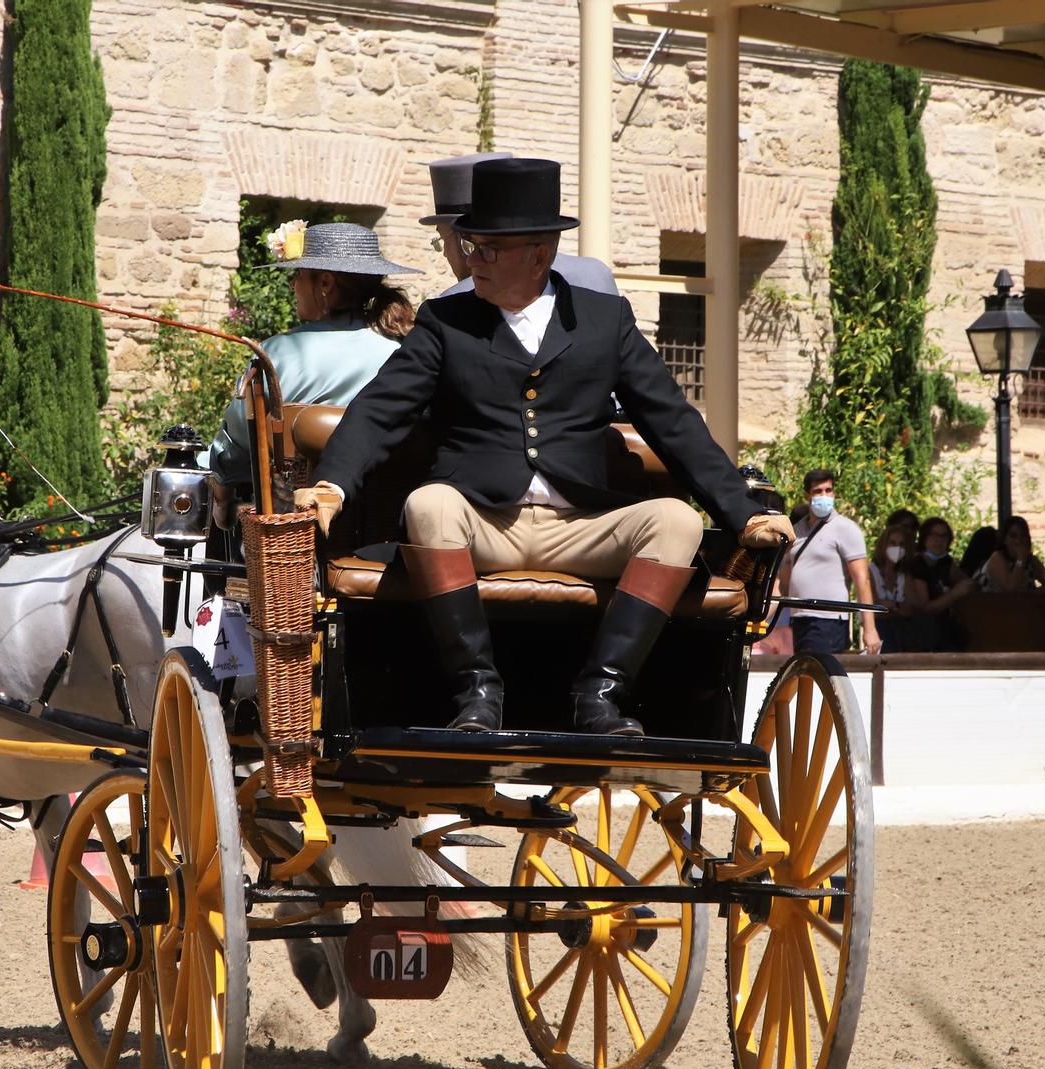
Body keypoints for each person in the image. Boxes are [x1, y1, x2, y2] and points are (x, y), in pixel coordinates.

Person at [294, 158, 793, 735]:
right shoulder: (445, 320)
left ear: (539, 254)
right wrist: (331, 485)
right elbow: (380, 408)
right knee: (428, 504)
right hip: (482, 523)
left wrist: (744, 513)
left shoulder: (606, 320)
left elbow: (671, 419)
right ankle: (476, 692)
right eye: (470, 245)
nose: (471, 259)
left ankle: (600, 695)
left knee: (677, 521)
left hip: (581, 525)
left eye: (487, 249)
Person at [206, 221, 419, 496]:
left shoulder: (276, 354)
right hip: (387, 513)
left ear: (326, 283)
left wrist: (219, 484)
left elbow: (236, 445)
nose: (293, 284)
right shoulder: (405, 351)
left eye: (299, 273)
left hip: (295, 524)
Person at [420, 152, 620, 298]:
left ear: (467, 240)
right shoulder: (596, 272)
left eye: (441, 240)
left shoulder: (453, 304)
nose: (445, 253)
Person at [775, 469, 882, 656]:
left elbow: (862, 579)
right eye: (818, 491)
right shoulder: (796, 530)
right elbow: (783, 582)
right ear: (807, 495)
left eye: (828, 490)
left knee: (821, 677)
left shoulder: (845, 528)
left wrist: (869, 628)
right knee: (803, 678)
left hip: (828, 620)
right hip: (800, 618)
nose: (824, 496)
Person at [900, 516, 975, 651]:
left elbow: (967, 583)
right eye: (934, 535)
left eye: (944, 536)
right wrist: (954, 594)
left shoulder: (946, 562)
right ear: (924, 537)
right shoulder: (918, 564)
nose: (938, 540)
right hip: (923, 634)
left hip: (946, 630)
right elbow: (925, 608)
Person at [867, 522, 915, 653]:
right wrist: (897, 608)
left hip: (903, 634)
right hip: (879, 634)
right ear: (884, 545)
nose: (897, 548)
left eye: (901, 544)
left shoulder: (904, 574)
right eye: (893, 543)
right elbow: (873, 608)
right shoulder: (870, 571)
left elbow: (910, 608)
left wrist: (890, 607)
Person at [982, 515, 1045, 592]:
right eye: (1013, 536)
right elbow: (1011, 588)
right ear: (1005, 539)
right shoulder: (997, 558)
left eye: (1023, 536)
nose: (1018, 540)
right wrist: (1020, 560)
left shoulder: (1031, 560)